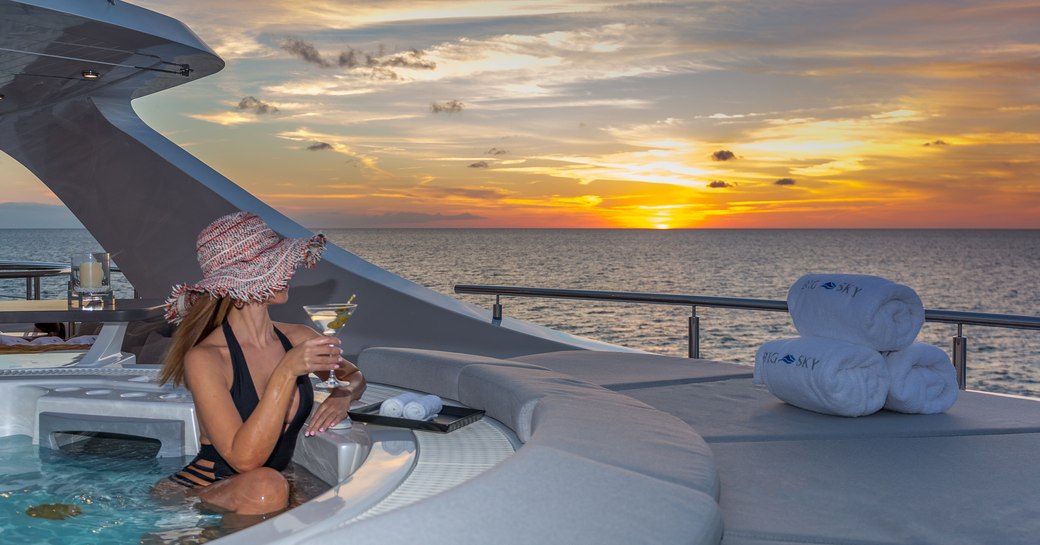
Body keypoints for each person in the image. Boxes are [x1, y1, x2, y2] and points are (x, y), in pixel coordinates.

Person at [152, 211, 365, 516]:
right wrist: (286, 370)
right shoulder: (206, 358)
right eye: (274, 267)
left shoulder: (299, 337)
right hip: (200, 493)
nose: (288, 272)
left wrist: (343, 395)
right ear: (240, 284)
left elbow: (354, 376)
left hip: (267, 487)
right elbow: (245, 461)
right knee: (267, 486)